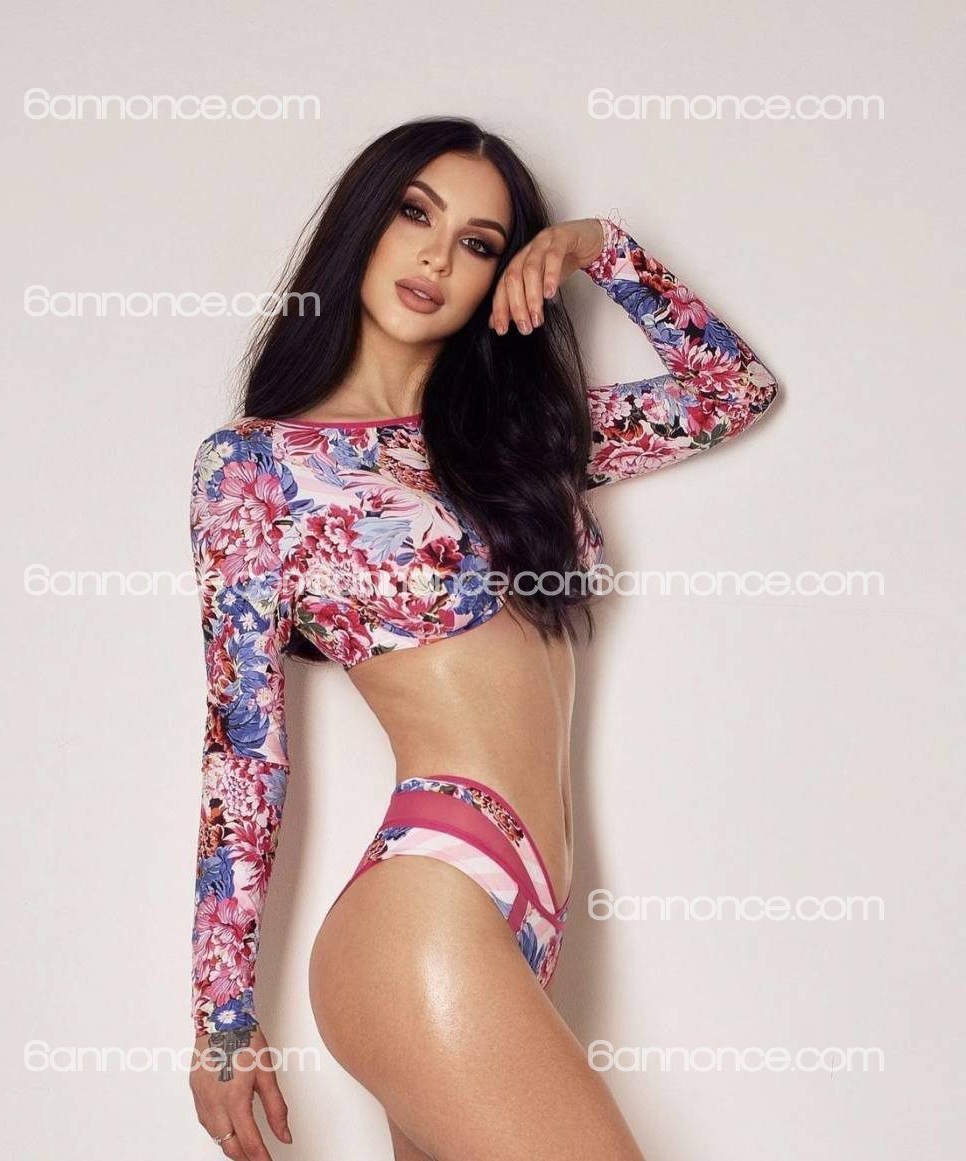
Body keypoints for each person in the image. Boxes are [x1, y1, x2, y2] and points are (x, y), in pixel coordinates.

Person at [186, 116, 779, 1160]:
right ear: (360, 228)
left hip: (531, 912)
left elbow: (731, 391)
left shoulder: (518, 441)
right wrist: (222, 1017)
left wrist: (599, 248)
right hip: (426, 908)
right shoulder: (257, 467)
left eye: (477, 242)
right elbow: (244, 748)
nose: (435, 257)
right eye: (414, 215)